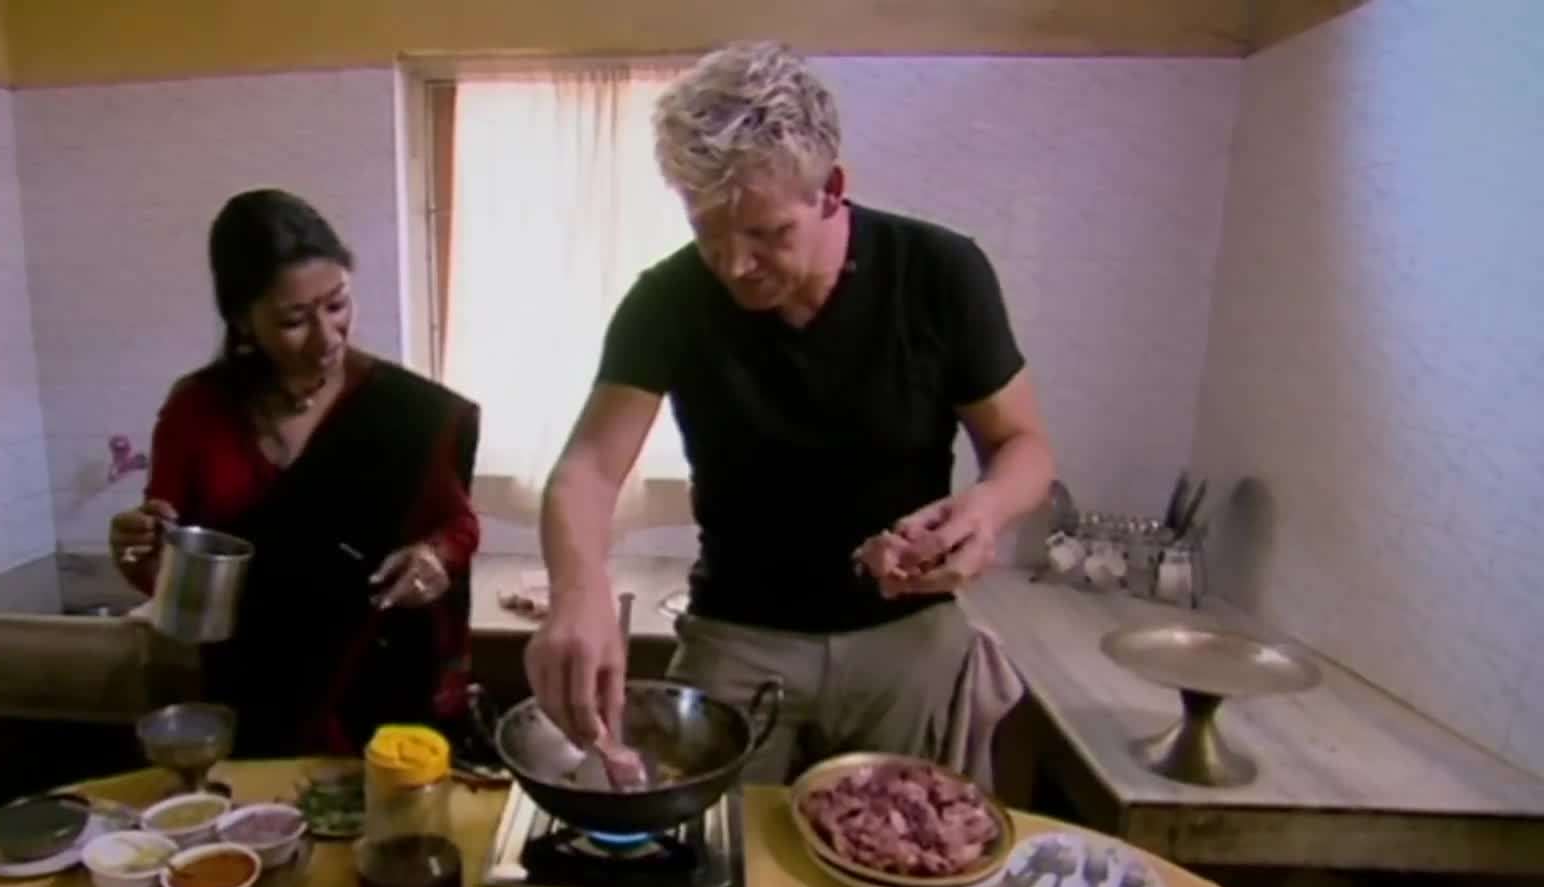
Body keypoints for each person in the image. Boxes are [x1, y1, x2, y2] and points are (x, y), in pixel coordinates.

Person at [526, 43, 1055, 783]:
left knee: (907, 858)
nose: (733, 264)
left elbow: (1023, 444)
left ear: (831, 189)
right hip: (738, 637)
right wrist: (576, 592)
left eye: (766, 234)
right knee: (716, 862)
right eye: (707, 232)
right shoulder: (667, 301)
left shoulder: (939, 273)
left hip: (907, 637)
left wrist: (988, 510)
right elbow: (587, 470)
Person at [111, 189, 480, 758]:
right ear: (242, 319)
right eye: (293, 320)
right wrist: (139, 550)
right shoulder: (197, 411)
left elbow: (458, 525)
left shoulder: (406, 411)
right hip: (255, 692)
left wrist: (433, 558)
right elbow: (172, 562)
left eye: (337, 305)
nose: (327, 337)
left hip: (379, 686)